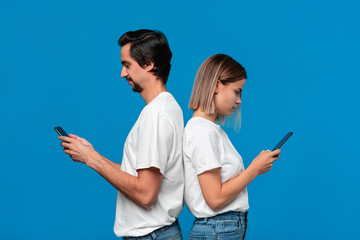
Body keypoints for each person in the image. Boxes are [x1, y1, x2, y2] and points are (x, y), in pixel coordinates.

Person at [59, 29, 184, 239]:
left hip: (152, 235)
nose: (122, 74)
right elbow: (138, 176)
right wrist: (92, 155)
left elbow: (145, 194)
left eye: (127, 65)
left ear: (149, 63)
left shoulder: (157, 116)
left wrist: (93, 159)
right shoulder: (166, 108)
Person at [183, 54, 281, 239]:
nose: (239, 100)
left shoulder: (211, 130)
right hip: (218, 228)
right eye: (237, 91)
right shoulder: (203, 132)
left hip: (221, 228)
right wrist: (255, 169)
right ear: (217, 85)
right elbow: (215, 199)